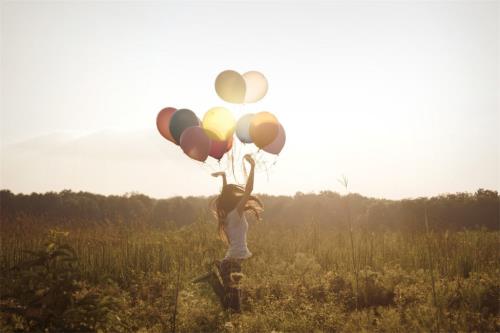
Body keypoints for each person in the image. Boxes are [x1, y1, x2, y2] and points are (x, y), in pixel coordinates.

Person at [192, 154, 263, 313]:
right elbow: (249, 189)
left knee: (228, 304)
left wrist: (224, 177)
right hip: (231, 264)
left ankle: (212, 280)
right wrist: (252, 167)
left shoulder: (228, 216)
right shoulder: (235, 214)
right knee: (234, 307)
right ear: (233, 199)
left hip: (230, 263)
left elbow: (225, 196)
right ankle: (211, 279)